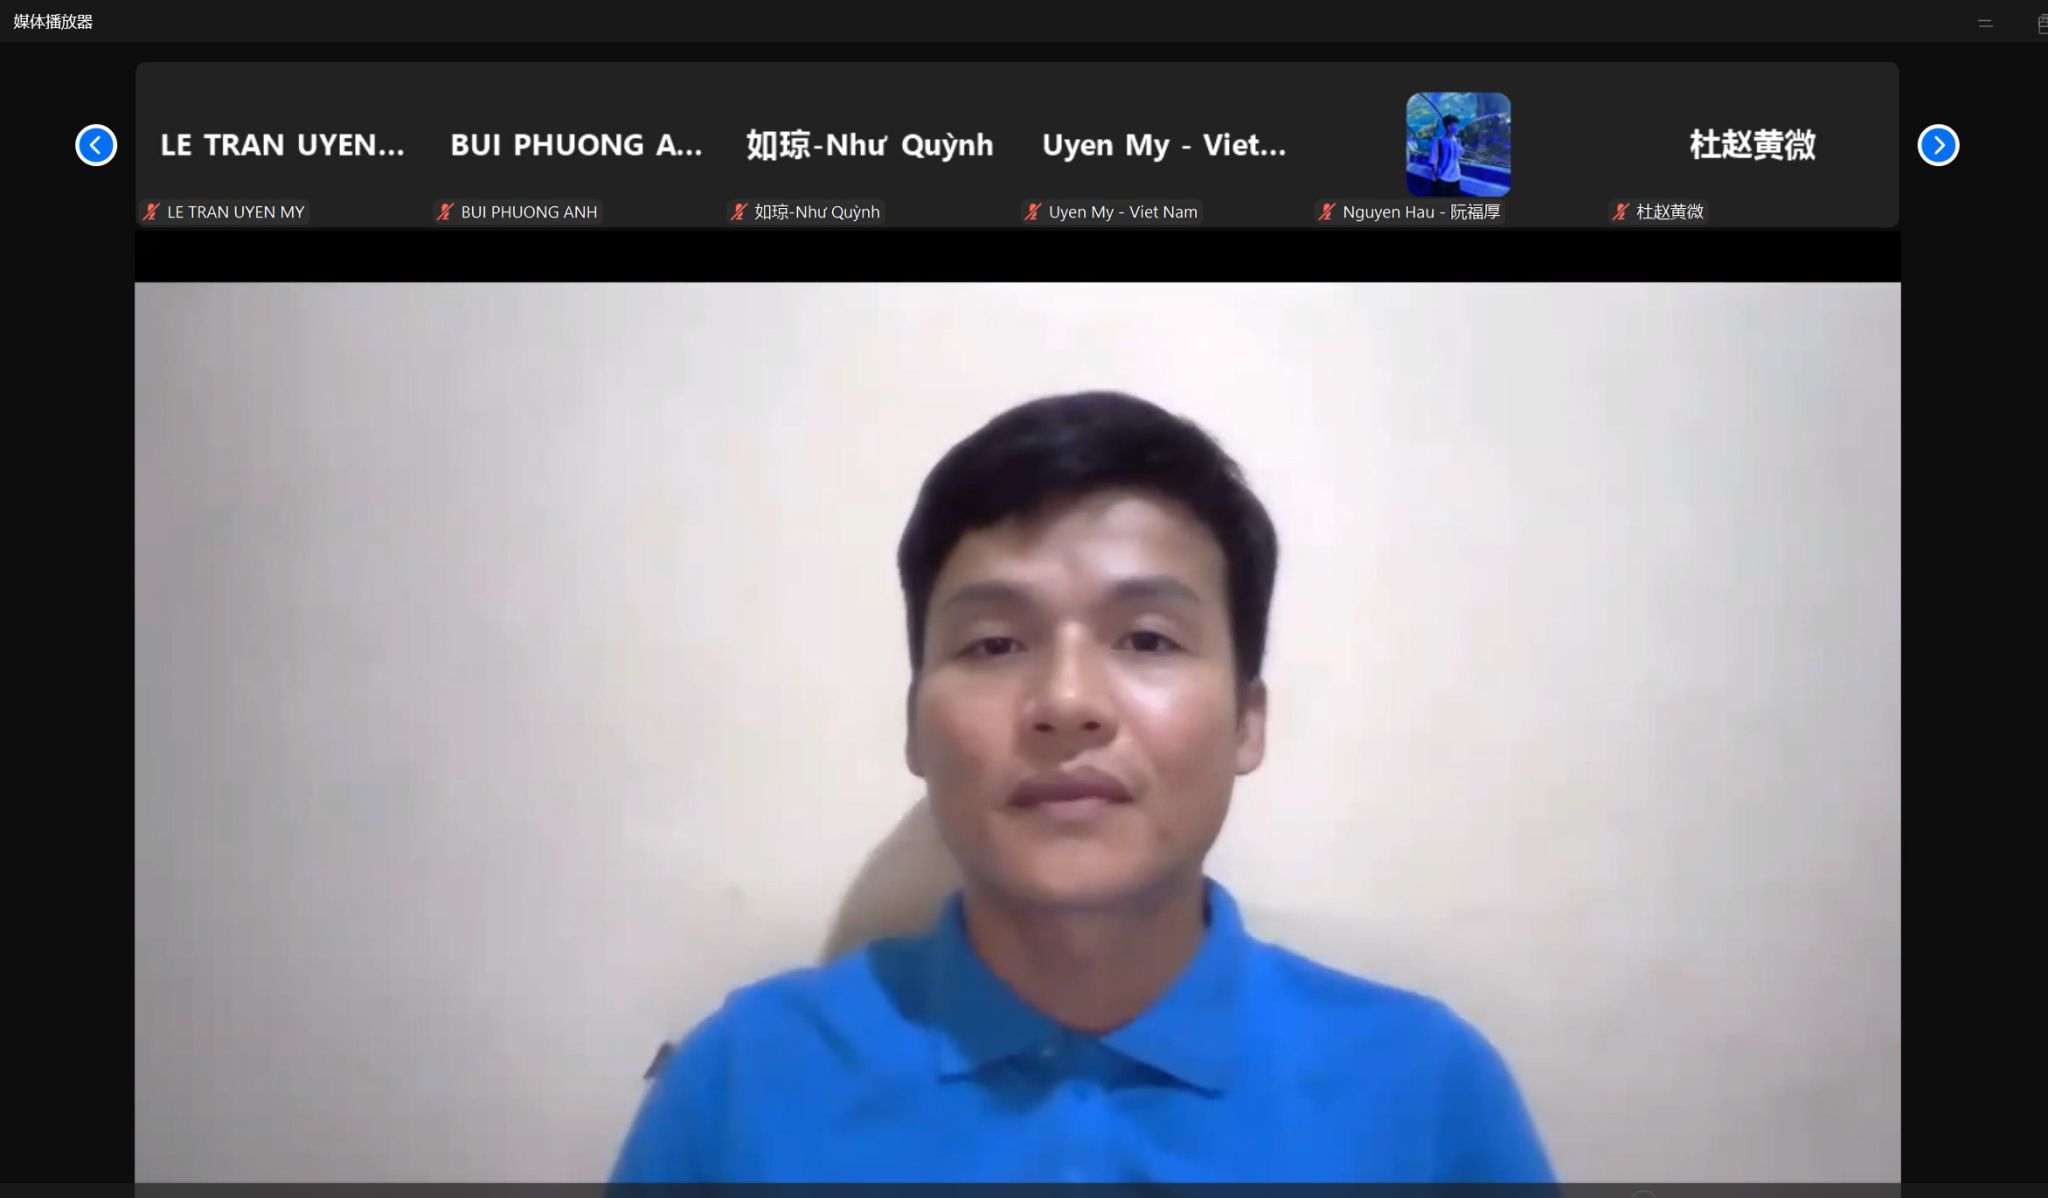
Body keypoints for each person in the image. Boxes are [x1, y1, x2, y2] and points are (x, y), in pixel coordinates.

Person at [608, 391, 1554, 1183]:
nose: (1065, 703)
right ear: (914, 727)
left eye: (1146, 639)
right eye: (994, 644)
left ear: (1247, 720)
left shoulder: (1425, 1093)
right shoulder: (742, 1084)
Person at [1430, 115, 1465, 197]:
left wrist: (1462, 151)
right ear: (1448, 127)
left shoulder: (1457, 140)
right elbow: (1433, 162)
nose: (1457, 127)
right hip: (1443, 179)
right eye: (1455, 125)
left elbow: (1458, 156)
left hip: (1456, 178)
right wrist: (1437, 176)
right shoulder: (1438, 142)